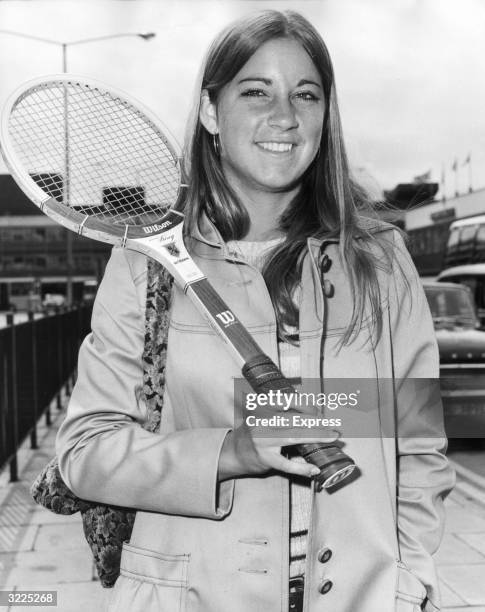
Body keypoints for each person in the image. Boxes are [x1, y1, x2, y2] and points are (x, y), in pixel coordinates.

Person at [56, 9, 455, 612]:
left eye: (306, 94)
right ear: (212, 111)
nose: (285, 117)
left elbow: (418, 449)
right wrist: (233, 450)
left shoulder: (381, 260)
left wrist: (408, 582)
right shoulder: (144, 266)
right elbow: (85, 451)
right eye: (255, 91)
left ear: (326, 115)